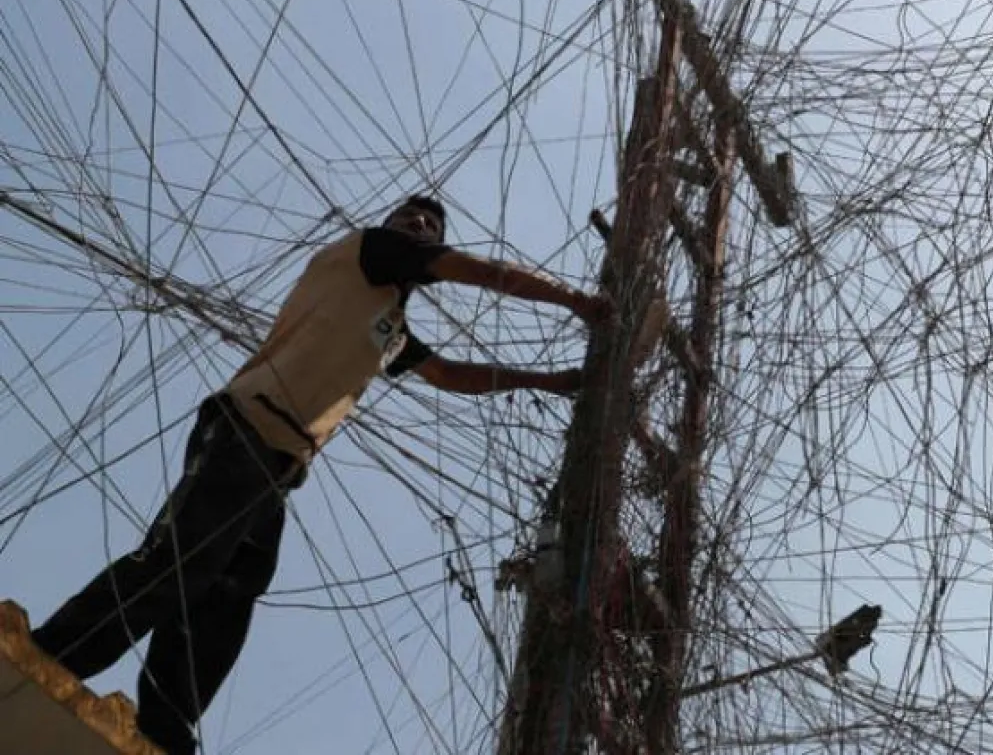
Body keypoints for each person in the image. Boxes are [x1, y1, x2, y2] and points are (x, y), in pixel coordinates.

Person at [29, 195, 609, 754]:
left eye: (430, 223)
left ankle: (164, 730)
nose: (419, 225)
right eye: (411, 217)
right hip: (247, 426)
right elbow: (471, 270)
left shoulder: (388, 324)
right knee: (180, 564)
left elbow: (447, 374)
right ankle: (51, 658)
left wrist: (548, 383)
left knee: (224, 602)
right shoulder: (371, 252)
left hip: (278, 465)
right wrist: (577, 301)